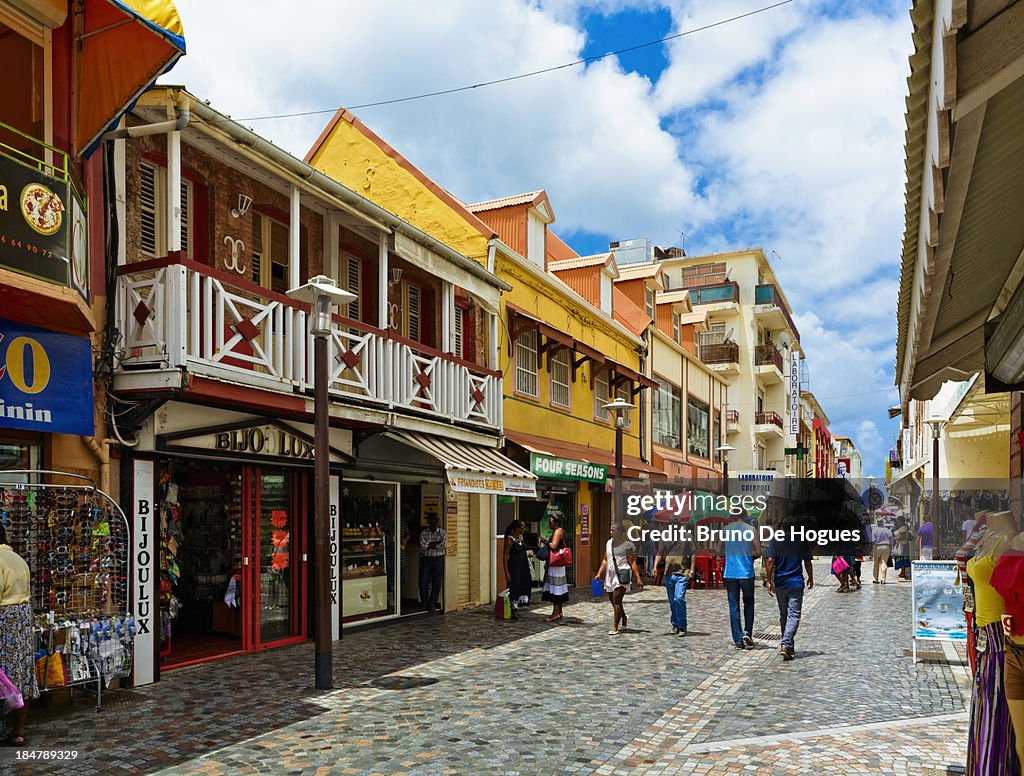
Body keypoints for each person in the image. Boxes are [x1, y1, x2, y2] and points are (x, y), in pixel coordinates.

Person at [0, 525, 37, 746]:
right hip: (22, 618)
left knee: (3, 673)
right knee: (21, 673)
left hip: (4, 618)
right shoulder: (18, 559)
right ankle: (18, 730)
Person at [765, 518, 814, 661]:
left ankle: (788, 645)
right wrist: (810, 577)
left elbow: (769, 561)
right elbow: (807, 561)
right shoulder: (801, 541)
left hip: (780, 582)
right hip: (796, 582)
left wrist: (769, 580)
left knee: (784, 615)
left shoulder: (776, 540)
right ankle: (786, 643)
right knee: (794, 615)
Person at [718, 512, 760, 648]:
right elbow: (758, 551)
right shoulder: (751, 530)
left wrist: (728, 554)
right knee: (749, 603)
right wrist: (749, 555)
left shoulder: (726, 530)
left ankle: (738, 639)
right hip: (746, 572)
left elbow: (718, 550)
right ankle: (747, 632)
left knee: (733, 606)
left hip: (730, 572)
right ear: (745, 516)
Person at [594, 523, 644, 635]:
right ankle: (623, 616)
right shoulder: (608, 543)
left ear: (620, 532)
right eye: (610, 530)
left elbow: (632, 562)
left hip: (622, 574)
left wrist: (638, 578)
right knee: (613, 600)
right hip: (610, 575)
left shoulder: (627, 545)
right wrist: (599, 573)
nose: (611, 532)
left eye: (613, 530)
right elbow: (605, 560)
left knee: (617, 600)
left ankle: (615, 625)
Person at [654, 535, 696, 636]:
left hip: (682, 573)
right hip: (669, 574)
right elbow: (660, 553)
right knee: (672, 601)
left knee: (679, 598)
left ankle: (682, 625)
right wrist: (655, 566)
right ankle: (675, 624)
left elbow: (693, 553)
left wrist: (692, 570)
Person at [540, 515, 569, 622]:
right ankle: (559, 611)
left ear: (556, 523)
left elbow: (554, 546)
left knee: (556, 588)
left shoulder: (557, 532)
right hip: (558, 565)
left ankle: (555, 613)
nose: (549, 523)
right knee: (559, 588)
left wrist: (545, 541)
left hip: (556, 564)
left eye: (551, 522)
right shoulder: (560, 531)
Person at [503, 520, 531, 615]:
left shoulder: (520, 539)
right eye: (522, 527)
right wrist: (506, 572)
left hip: (523, 567)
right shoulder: (510, 540)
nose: (523, 529)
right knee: (514, 587)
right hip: (514, 568)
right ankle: (512, 609)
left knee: (522, 585)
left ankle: (518, 605)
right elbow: (505, 556)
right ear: (517, 528)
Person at [418, 513, 446, 612]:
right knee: (423, 581)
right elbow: (423, 546)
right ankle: (424, 602)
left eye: (436, 521)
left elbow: (443, 545)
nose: (435, 523)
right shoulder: (424, 533)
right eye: (433, 521)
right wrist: (436, 544)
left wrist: (430, 545)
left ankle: (432, 603)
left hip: (438, 559)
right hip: (427, 559)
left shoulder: (442, 533)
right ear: (429, 522)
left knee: (437, 582)